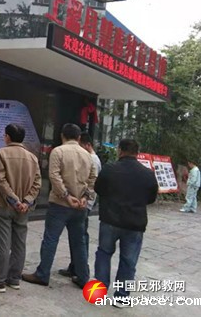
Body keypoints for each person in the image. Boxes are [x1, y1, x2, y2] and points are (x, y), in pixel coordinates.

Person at [22, 123, 96, 289]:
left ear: (62, 135)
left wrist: (66, 196)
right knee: (79, 242)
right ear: (78, 137)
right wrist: (85, 196)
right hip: (80, 205)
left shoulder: (58, 151)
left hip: (60, 204)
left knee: (51, 239)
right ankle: (83, 277)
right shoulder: (87, 155)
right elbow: (93, 179)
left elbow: (54, 176)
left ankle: (42, 274)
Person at [94, 139, 158, 307]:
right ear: (137, 153)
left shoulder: (109, 169)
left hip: (110, 219)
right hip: (134, 223)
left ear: (120, 150)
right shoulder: (147, 174)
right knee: (128, 261)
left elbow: (98, 189)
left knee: (104, 253)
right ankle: (121, 297)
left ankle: (100, 293)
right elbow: (151, 198)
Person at [0, 123, 41, 292]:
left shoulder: (1, 153)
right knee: (19, 243)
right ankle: (14, 278)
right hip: (24, 209)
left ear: (7, 137)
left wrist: (14, 201)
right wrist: (26, 202)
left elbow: (1, 181)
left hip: (4, 205)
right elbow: (37, 183)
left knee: (2, 242)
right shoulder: (33, 158)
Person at [58, 132, 102, 278]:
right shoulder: (91, 158)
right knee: (78, 237)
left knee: (80, 238)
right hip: (83, 202)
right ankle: (75, 266)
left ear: (87, 145)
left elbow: (91, 182)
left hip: (84, 203)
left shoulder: (92, 159)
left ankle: (81, 270)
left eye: (80, 145)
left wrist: (84, 198)